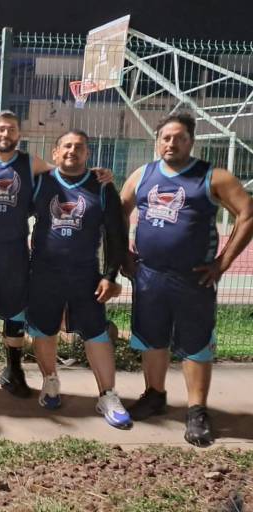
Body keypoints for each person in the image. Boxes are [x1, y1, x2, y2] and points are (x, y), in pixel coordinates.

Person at [0, 111, 113, 397]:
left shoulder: (31, 163)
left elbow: (64, 171)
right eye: (1, 129)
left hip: (15, 250)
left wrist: (93, 173)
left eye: (12, 130)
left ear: (20, 135)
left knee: (15, 311)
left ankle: (13, 370)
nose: (6, 134)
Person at [120, 113, 253, 446]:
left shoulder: (212, 176)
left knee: (196, 343)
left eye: (179, 138)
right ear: (157, 141)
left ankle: (197, 411)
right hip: (149, 275)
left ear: (191, 141)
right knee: (152, 338)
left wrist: (223, 262)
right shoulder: (142, 175)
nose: (172, 143)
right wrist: (123, 253)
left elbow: (247, 213)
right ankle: (154, 395)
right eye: (166, 138)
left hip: (193, 278)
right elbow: (120, 210)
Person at [26, 130, 131, 429]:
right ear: (55, 153)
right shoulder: (40, 183)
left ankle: (107, 395)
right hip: (44, 273)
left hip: (85, 275)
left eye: (79, 147)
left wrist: (110, 275)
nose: (73, 151)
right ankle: (50, 381)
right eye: (67, 146)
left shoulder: (102, 186)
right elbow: (10, 216)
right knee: (44, 330)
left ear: (87, 153)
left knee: (96, 333)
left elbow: (116, 234)